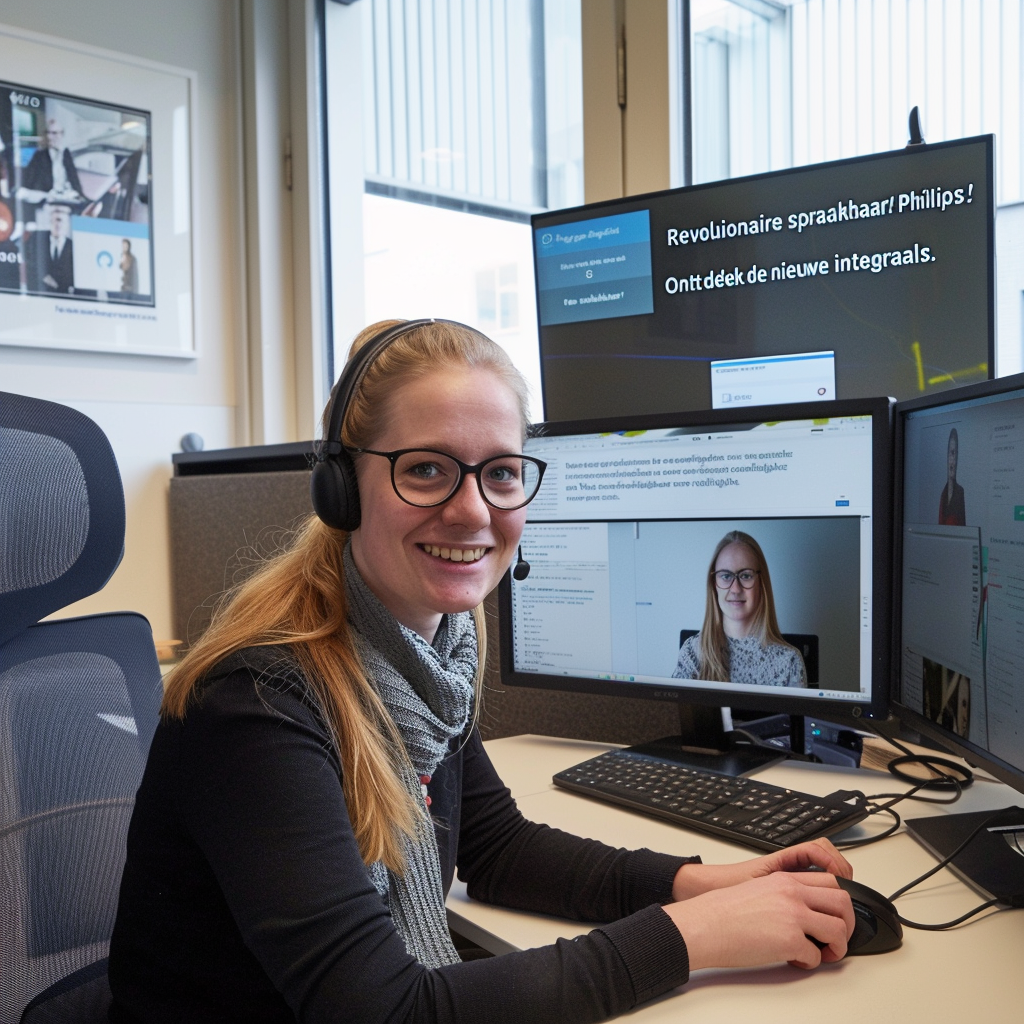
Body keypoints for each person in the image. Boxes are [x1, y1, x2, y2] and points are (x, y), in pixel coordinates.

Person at [109, 320, 854, 1023]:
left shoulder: (425, 659)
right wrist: (689, 935)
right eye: (426, 469)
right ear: (340, 488)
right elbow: (386, 1011)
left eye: (500, 474)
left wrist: (710, 883)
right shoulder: (258, 706)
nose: (473, 512)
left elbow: (498, 849)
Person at [674, 531, 807, 687]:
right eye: (726, 576)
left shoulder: (789, 660)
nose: (735, 589)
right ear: (714, 584)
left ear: (761, 584)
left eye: (745, 576)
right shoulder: (692, 653)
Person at [23, 204, 74, 294]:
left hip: (63, 296)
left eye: (61, 221)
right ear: (50, 221)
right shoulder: (37, 238)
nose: (58, 224)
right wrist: (44, 276)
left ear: (67, 224)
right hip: (38, 294)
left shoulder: (73, 246)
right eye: (55, 220)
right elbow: (29, 263)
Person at [938, 427, 966, 526]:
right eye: (950, 453)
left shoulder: (960, 492)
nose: (951, 459)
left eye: (954, 453)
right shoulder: (943, 494)